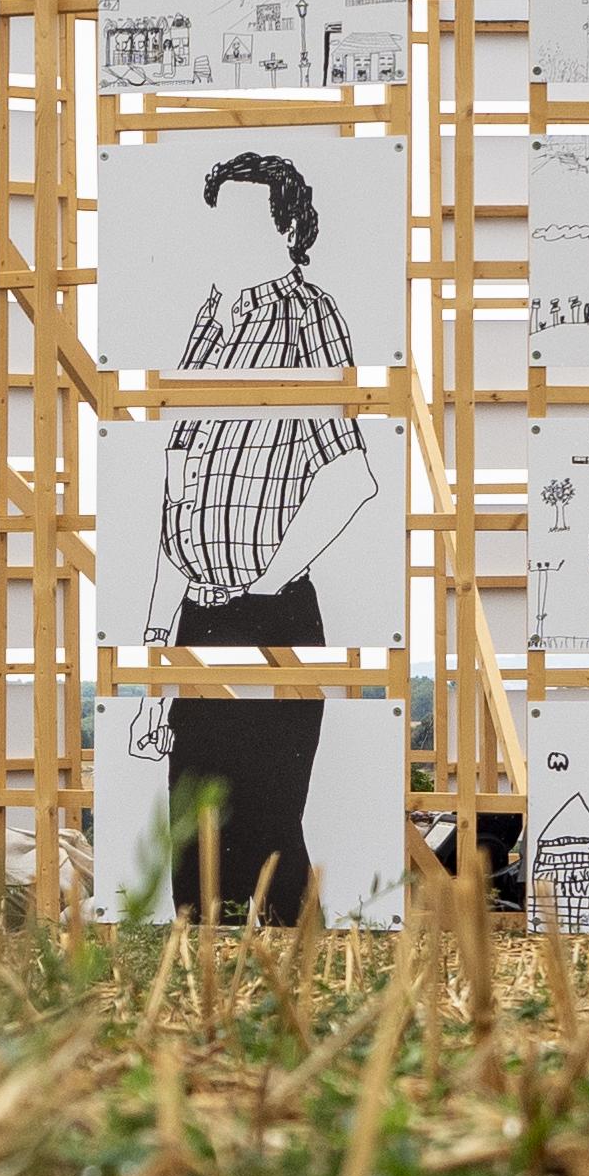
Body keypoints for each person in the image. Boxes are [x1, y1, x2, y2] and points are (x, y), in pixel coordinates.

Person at [128, 152, 366, 923]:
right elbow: (177, 503)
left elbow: (348, 477)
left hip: (271, 619)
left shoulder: (308, 317)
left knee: (266, 839)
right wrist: (155, 664)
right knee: (194, 851)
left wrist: (264, 584)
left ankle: (306, 998)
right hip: (196, 619)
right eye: (217, 217)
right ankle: (194, 1020)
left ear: (288, 228)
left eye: (244, 220)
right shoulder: (208, 321)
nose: (222, 235)